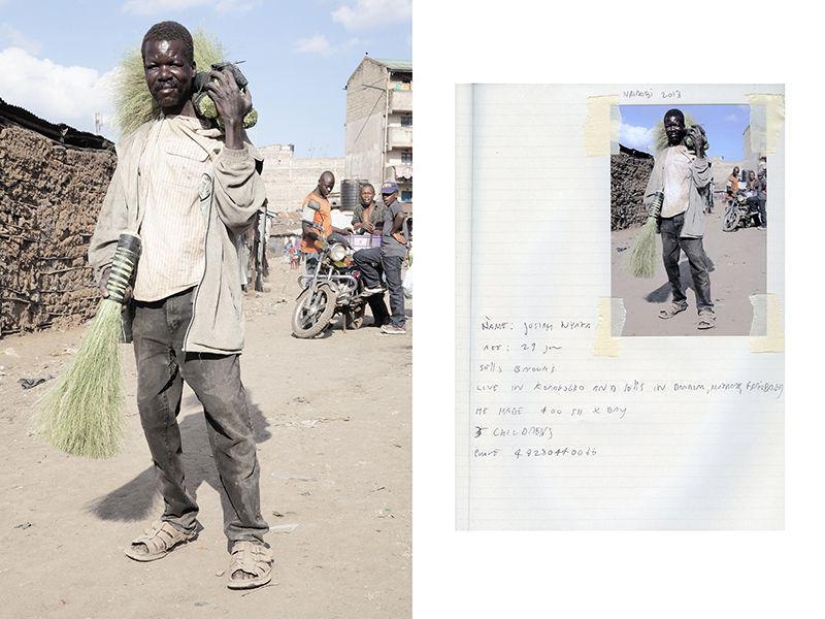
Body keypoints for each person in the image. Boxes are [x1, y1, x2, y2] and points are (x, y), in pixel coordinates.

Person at [87, 21, 272, 590]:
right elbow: (115, 218)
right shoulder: (138, 143)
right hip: (148, 306)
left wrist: (234, 126)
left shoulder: (222, 142)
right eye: (153, 64)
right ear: (144, 72)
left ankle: (248, 537)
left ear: (193, 68)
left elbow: (241, 212)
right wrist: (108, 271)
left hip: (204, 304)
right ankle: (178, 518)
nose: (163, 73)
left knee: (228, 423)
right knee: (156, 417)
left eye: (173, 63)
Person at [644, 109, 715, 329]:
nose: (672, 128)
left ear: (684, 126)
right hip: (667, 219)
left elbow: (703, 181)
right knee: (669, 262)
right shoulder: (663, 155)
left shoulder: (692, 152)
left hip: (687, 217)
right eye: (668, 125)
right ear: (664, 128)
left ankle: (706, 309)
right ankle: (679, 301)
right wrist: (652, 210)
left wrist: (700, 151)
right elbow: (654, 186)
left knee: (697, 264)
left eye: (676, 124)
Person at [353, 181, 409, 334]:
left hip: (392, 253)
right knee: (359, 256)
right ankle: (375, 283)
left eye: (389, 194)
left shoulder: (395, 206)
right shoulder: (388, 207)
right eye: (384, 194)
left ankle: (398, 324)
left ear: (396, 194)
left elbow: (401, 215)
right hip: (384, 251)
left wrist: (393, 231)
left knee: (395, 288)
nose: (386, 197)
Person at [351, 183, 390, 326]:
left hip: (378, 249)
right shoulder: (358, 208)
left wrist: (377, 230)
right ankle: (378, 319)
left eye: (369, 193)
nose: (366, 196)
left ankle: (385, 317)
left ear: (373, 194)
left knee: (376, 287)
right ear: (360, 195)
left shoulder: (382, 207)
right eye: (364, 193)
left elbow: (389, 224)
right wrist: (362, 225)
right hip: (363, 249)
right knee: (368, 287)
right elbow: (354, 224)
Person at [299, 171, 335, 275]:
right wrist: (319, 239)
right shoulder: (312, 201)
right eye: (327, 186)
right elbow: (306, 227)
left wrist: (342, 231)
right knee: (312, 280)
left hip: (323, 248)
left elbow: (324, 225)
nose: (329, 190)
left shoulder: (324, 199)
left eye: (331, 187)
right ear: (319, 182)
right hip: (313, 249)